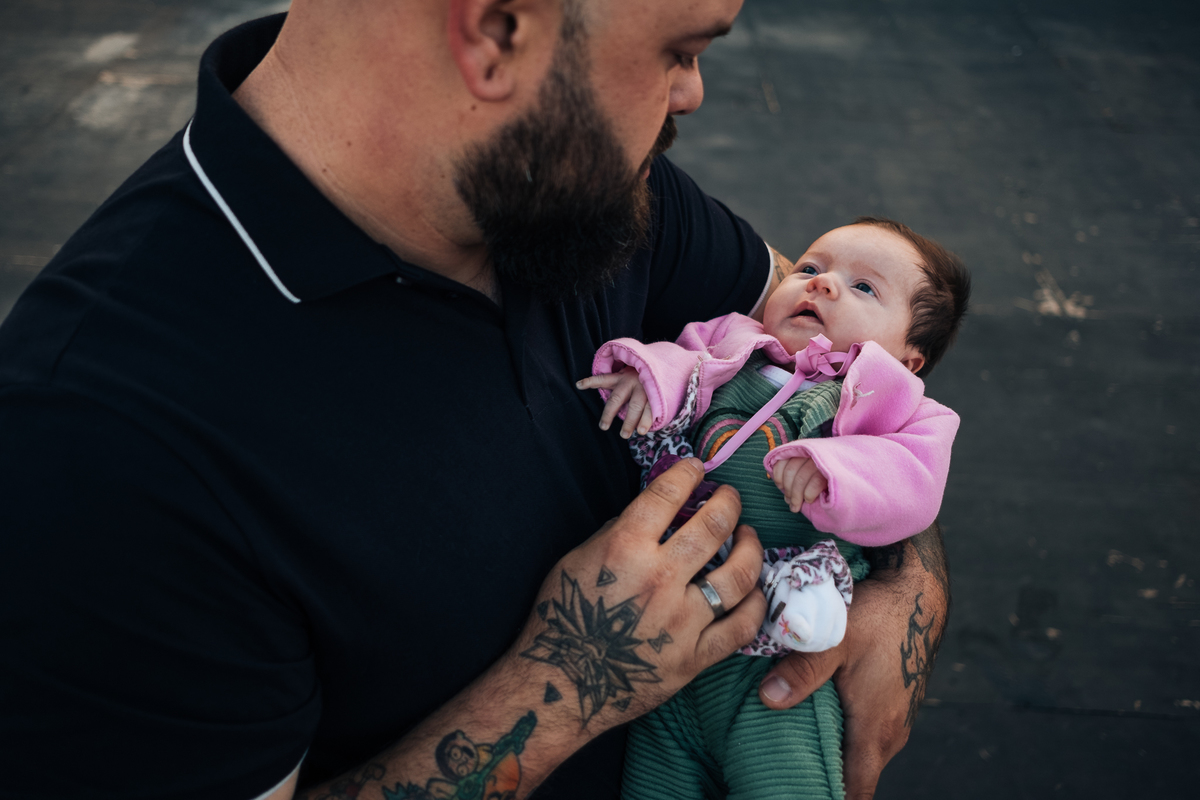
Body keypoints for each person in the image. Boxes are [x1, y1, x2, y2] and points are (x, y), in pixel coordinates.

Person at [0, 2, 950, 799]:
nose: (691, 94)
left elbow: (835, 364)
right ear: (496, 33)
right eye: (681, 52)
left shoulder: (583, 189)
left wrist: (903, 583)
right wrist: (570, 683)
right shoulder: (100, 448)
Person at [580, 218, 969, 798]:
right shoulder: (730, 344)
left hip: (778, 648)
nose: (822, 284)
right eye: (810, 268)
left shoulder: (901, 410)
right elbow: (680, 361)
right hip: (667, 630)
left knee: (785, 783)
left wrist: (833, 468)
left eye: (864, 288)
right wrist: (647, 378)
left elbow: (914, 484)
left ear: (910, 358)